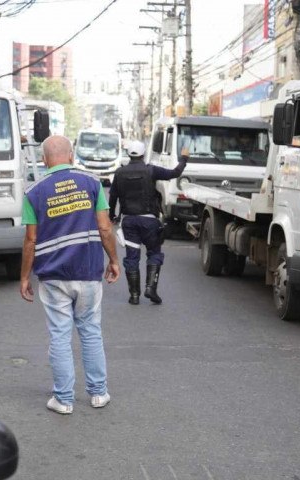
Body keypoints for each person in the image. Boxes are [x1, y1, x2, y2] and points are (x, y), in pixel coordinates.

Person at [20, 135, 120, 415]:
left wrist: (25, 276)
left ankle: (63, 400)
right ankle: (98, 393)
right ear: (72, 156)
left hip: (53, 276)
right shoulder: (91, 183)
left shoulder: (34, 192)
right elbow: (104, 228)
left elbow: (30, 240)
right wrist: (113, 260)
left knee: (60, 335)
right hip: (88, 271)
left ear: (43, 159)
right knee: (90, 331)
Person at [108, 140, 187, 305]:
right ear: (143, 154)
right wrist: (184, 159)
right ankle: (151, 288)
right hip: (150, 221)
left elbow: (113, 196)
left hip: (129, 221)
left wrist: (112, 216)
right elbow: (175, 173)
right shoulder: (151, 170)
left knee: (132, 257)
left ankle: (134, 295)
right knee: (154, 253)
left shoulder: (120, 173)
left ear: (129, 154)